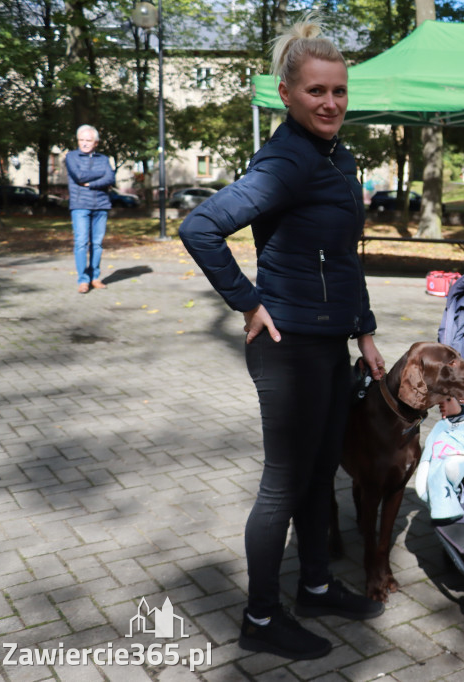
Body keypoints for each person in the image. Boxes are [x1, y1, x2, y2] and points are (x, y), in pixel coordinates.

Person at [178, 15, 385, 661]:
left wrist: (366, 330)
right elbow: (200, 228)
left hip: (328, 339)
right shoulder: (288, 158)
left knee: (321, 472)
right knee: (284, 483)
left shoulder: (336, 154)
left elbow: (344, 254)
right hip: (287, 343)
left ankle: (317, 585)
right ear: (289, 95)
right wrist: (247, 302)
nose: (330, 103)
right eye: (317, 91)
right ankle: (262, 618)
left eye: (339, 91)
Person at [65, 125, 115, 294]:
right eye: (81, 140)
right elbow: (78, 176)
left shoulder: (103, 158)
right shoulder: (71, 156)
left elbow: (111, 178)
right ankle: (83, 280)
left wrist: (91, 183)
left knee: (97, 244)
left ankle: (95, 277)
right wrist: (100, 174)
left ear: (96, 143)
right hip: (80, 205)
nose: (85, 143)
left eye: (88, 140)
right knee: (81, 243)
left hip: (101, 205)